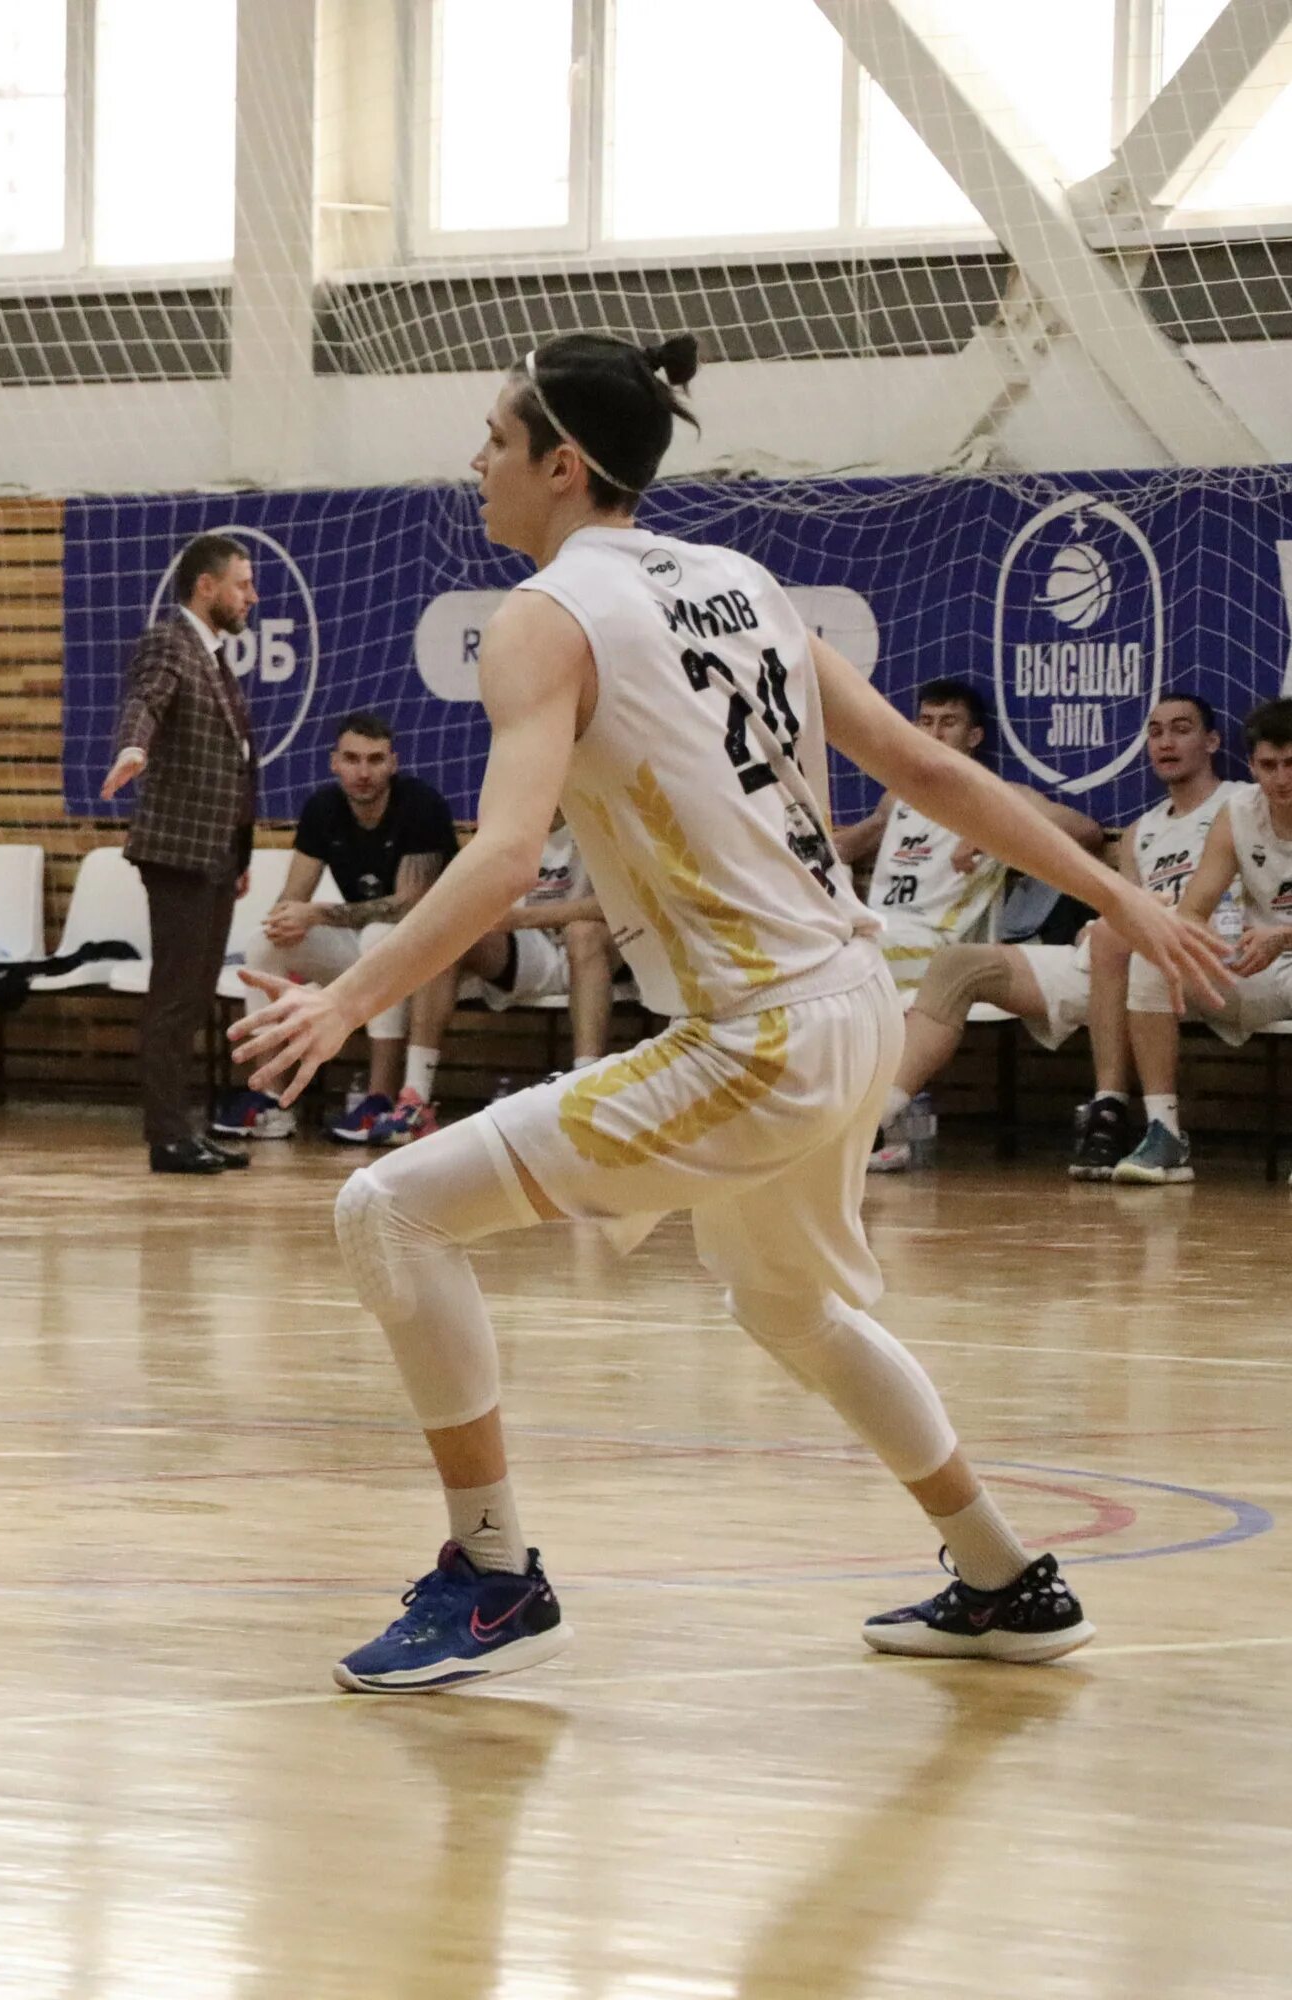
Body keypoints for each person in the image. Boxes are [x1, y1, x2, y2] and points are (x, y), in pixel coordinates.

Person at [230, 331, 1229, 1694]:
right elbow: (927, 772)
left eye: (495, 438)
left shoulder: (545, 615)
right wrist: (1122, 901)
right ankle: (1003, 1575)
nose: (476, 461)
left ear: (562, 465)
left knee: (386, 1211)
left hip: (760, 1033)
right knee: (787, 1306)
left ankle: (494, 1578)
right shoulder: (742, 582)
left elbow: (507, 851)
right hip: (851, 1005)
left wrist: (349, 996)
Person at [876, 693, 1237, 1177]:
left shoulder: (1241, 805)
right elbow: (1126, 901)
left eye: (1181, 729)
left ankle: (1113, 1111)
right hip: (1117, 959)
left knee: (1121, 942)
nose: (1165, 742)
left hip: (1201, 962)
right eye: (1155, 733)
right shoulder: (1139, 832)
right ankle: (877, 1119)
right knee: (960, 964)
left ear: (1211, 741)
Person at [100, 533, 260, 1175]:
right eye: (243, 583)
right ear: (207, 586)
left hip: (215, 852)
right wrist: (133, 747)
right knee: (175, 998)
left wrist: (239, 851)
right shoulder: (172, 641)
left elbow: (235, 763)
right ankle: (168, 1136)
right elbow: (147, 701)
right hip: (178, 851)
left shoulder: (215, 654)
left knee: (192, 998)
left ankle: (185, 1129)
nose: (252, 595)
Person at [249, 712, 461, 1145]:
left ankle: (380, 1098)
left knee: (380, 938)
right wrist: (284, 922)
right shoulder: (323, 807)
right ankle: (269, 1100)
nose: (363, 772)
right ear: (334, 763)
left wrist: (317, 914)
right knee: (261, 948)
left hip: (430, 955)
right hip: (365, 944)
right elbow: (294, 896)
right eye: (352, 759)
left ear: (393, 763)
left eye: (375, 760)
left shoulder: (421, 805)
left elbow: (408, 905)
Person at [1106, 698, 1292, 1183]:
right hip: (1257, 967)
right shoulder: (1238, 813)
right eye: (1269, 766)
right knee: (1155, 951)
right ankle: (1164, 1133)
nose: (1281, 779)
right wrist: (1198, 937)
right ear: (1251, 766)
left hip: (1281, 950)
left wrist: (1284, 934)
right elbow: (1192, 910)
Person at [830, 676, 1104, 993]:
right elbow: (845, 849)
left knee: (844, 962)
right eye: (926, 721)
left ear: (973, 736)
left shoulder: (998, 797)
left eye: (948, 723)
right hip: (885, 929)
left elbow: (1088, 832)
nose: (935, 733)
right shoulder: (897, 798)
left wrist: (995, 829)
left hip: (943, 942)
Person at [451, 812, 617, 1070]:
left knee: (583, 934)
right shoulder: (502, 830)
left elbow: (616, 905)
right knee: (446, 938)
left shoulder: (602, 821)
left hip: (598, 947)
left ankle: (585, 1074)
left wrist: (527, 918)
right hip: (529, 948)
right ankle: (415, 1091)